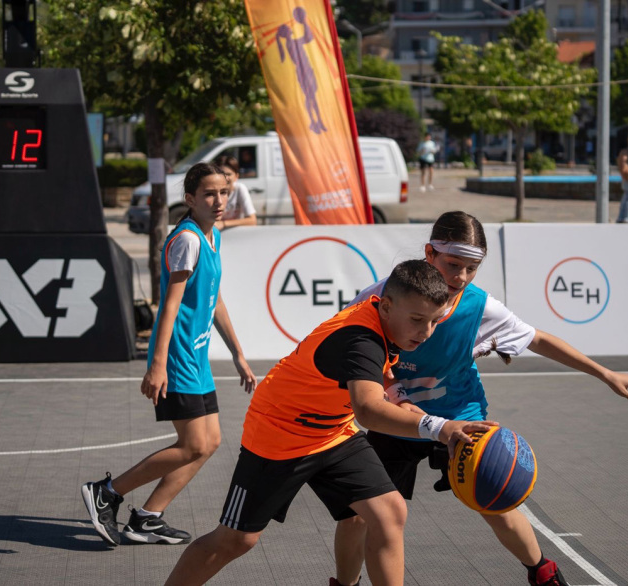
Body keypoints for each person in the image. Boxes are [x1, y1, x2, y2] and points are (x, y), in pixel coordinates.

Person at [332, 211, 628, 586]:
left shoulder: (477, 306)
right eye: (453, 265)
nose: (461, 277)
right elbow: (355, 347)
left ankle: (543, 574)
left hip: (462, 416)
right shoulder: (382, 297)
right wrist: (397, 396)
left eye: (472, 268)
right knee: (358, 515)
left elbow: (538, 339)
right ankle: (344, 584)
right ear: (430, 253)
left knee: (496, 500)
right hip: (397, 420)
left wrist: (604, 373)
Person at [163, 260, 497, 586]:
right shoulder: (359, 339)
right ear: (386, 307)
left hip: (333, 432)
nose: (426, 332)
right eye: (417, 319)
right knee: (236, 540)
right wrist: (439, 427)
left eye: (435, 321)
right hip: (279, 434)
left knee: (388, 511)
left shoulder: (384, 324)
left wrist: (429, 417)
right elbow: (367, 410)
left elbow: (380, 387)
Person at [81, 162, 257, 547]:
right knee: (193, 444)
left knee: (208, 442)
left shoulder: (213, 238)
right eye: (209, 194)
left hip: (197, 358)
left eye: (224, 192)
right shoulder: (189, 240)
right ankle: (106, 492)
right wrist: (157, 364)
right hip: (177, 358)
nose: (219, 200)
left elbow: (215, 301)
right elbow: (169, 305)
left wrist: (238, 354)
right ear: (190, 199)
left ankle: (147, 517)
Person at [212, 155, 257, 229]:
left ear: (236, 176)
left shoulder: (240, 189)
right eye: (221, 174)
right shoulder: (210, 191)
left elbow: (252, 220)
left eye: (228, 174)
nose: (225, 178)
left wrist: (223, 224)